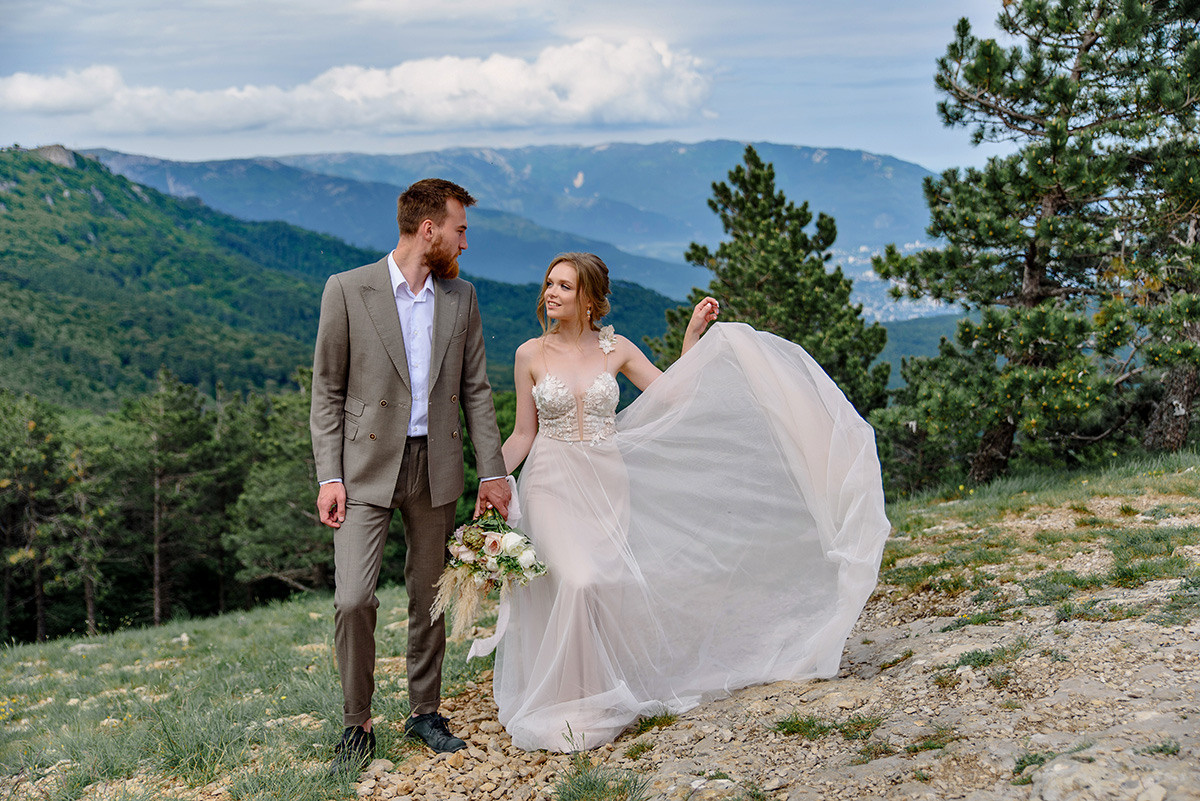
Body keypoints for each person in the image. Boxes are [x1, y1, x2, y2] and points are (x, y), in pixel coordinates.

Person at [485, 252, 891, 752]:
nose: (550, 293)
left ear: (589, 299)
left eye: (564, 287)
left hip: (608, 481)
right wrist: (493, 477)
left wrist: (693, 341)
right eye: (549, 283)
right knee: (576, 578)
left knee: (604, 582)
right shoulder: (530, 354)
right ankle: (569, 702)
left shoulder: (617, 348)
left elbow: (672, 397)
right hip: (550, 477)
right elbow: (525, 432)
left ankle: (597, 687)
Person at [310, 178, 512, 773]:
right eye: (460, 230)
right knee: (353, 599)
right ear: (430, 230)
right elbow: (327, 390)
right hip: (363, 468)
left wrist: (492, 473)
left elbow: (475, 390)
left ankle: (425, 711)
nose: (464, 243)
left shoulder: (461, 297)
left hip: (437, 463)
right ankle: (357, 722)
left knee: (431, 596)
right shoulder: (348, 289)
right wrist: (329, 476)